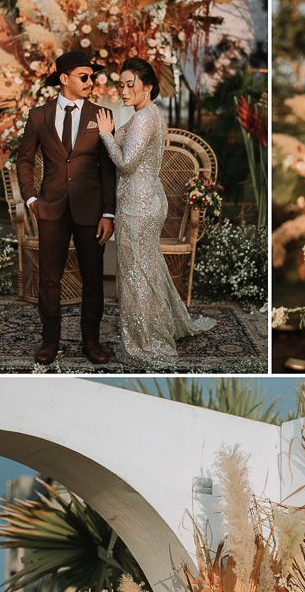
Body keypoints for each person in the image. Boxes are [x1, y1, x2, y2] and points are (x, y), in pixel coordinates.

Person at [96, 57, 215, 364]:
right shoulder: (149, 115)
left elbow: (125, 162)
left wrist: (105, 136)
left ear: (147, 87)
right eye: (120, 84)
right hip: (148, 199)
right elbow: (122, 139)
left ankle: (145, 340)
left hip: (138, 204)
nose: (123, 90)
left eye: (129, 84)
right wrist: (109, 131)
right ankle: (155, 326)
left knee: (135, 272)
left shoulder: (144, 119)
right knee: (147, 268)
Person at [16, 49, 116, 367]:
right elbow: (24, 160)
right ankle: (50, 341)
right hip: (51, 208)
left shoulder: (101, 115)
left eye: (92, 77)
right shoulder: (39, 116)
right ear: (64, 79)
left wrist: (108, 213)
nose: (90, 82)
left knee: (93, 278)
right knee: (48, 279)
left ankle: (91, 341)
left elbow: (107, 169)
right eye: (84, 77)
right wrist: (32, 198)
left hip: (91, 211)